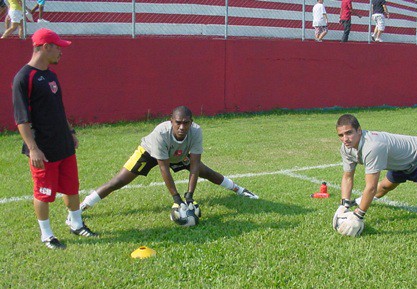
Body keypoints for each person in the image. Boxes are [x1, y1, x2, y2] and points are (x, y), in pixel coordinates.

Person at [80, 106, 259, 219]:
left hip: (178, 154)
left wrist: (189, 195)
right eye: (178, 123)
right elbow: (164, 168)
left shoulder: (196, 132)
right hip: (150, 153)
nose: (182, 127)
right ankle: (82, 206)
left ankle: (240, 190)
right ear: (171, 121)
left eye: (186, 123)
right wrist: (176, 198)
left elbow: (195, 165)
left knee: (208, 172)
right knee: (119, 181)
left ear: (191, 122)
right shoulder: (161, 133)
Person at [12, 28, 97, 250]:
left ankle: (76, 224)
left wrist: (70, 133)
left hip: (63, 144)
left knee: (71, 187)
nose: (61, 51)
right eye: (57, 47)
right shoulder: (24, 77)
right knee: (44, 192)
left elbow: (58, 108)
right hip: (43, 148)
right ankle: (47, 235)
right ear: (45, 47)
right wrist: (33, 149)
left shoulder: (51, 75)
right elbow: (21, 119)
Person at [334, 114, 417, 236]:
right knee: (384, 187)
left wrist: (358, 215)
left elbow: (371, 187)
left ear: (359, 130)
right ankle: (357, 201)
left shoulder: (372, 147)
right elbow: (348, 176)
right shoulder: (346, 148)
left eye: (349, 133)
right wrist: (344, 205)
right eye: (341, 135)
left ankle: (360, 204)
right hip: (401, 165)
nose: (345, 139)